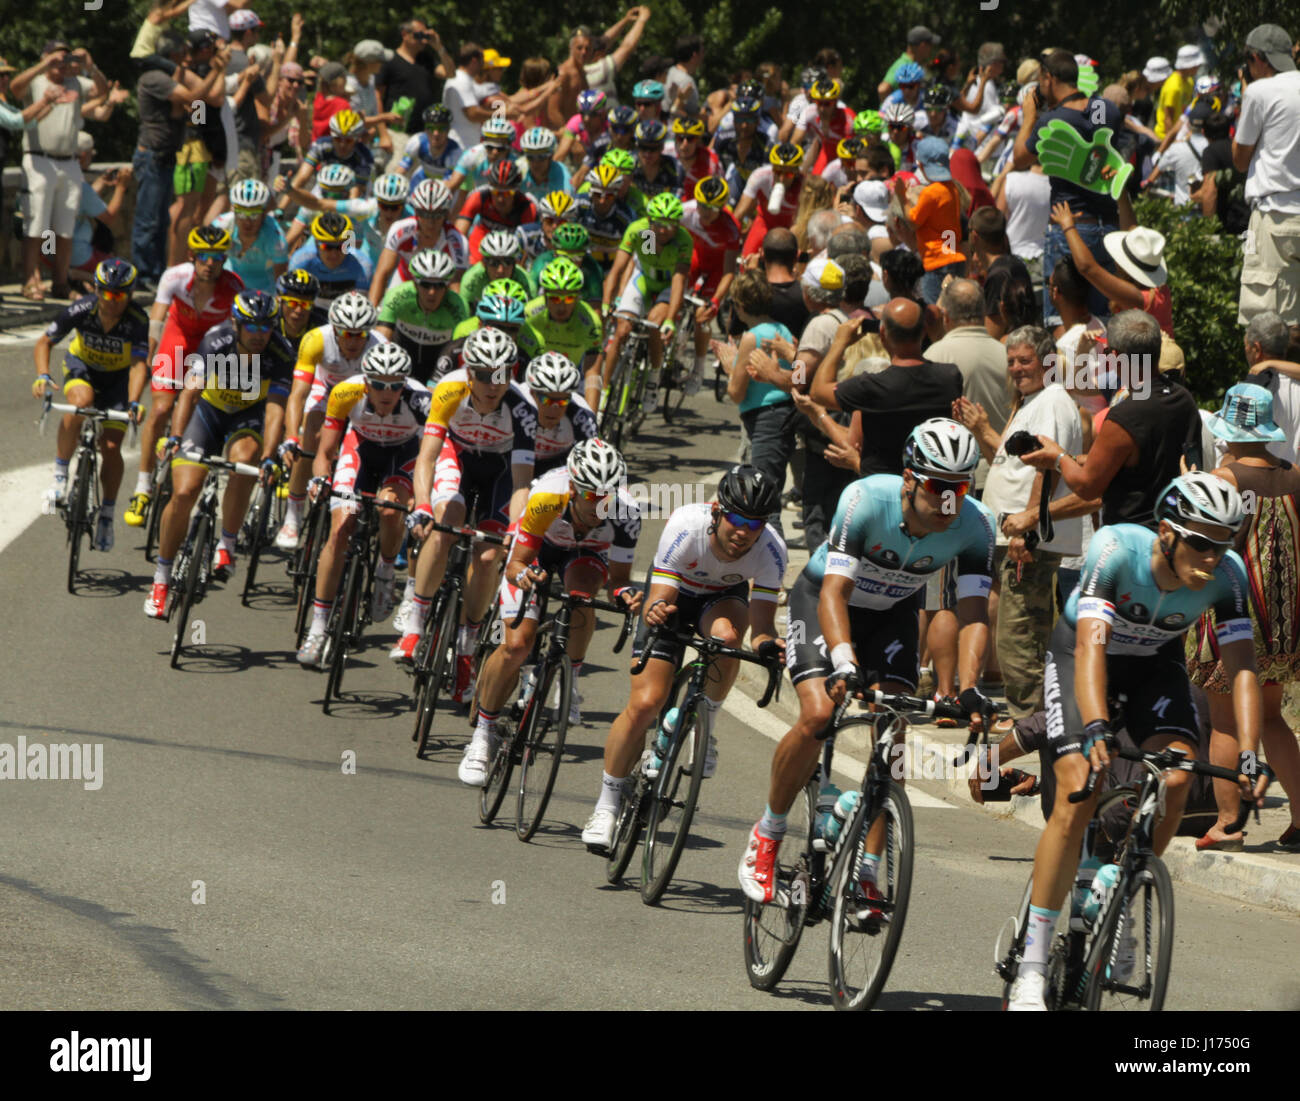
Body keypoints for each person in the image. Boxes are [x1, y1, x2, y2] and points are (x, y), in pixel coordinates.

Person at [1005, 473, 1264, 1011]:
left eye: (1223, 544)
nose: (1213, 557)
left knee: (1177, 778)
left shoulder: (1227, 574)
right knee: (1078, 789)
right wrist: (1096, 725)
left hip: (1155, 666)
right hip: (1081, 657)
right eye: (1201, 542)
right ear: (1167, 533)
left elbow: (1243, 670)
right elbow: (1091, 650)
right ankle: (1032, 964)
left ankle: (1122, 896)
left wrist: (1249, 753)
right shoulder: (1115, 550)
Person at [738, 419, 994, 903]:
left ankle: (868, 871)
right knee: (818, 714)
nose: (948, 503)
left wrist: (969, 686)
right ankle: (767, 835)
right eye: (938, 488)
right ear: (910, 479)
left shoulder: (978, 524)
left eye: (959, 489)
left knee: (892, 733)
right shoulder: (864, 500)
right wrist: (843, 660)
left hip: (893, 613)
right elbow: (835, 592)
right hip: (826, 601)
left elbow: (974, 614)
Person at [580, 467, 787, 851]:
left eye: (755, 524)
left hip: (721, 600)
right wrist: (656, 611)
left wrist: (768, 646)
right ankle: (606, 806)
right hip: (675, 595)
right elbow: (659, 599)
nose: (744, 532)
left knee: (728, 639)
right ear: (717, 511)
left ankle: (706, 724)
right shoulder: (686, 526)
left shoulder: (772, 550)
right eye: (737, 519)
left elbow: (761, 626)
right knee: (645, 705)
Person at [466, 438, 640, 777]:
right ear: (573, 488)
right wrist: (525, 576)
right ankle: (482, 736)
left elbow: (618, 581)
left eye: (607, 496)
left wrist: (625, 595)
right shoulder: (548, 496)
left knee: (582, 597)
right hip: (538, 550)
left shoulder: (627, 513)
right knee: (517, 645)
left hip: (585, 554)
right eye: (592, 496)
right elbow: (516, 563)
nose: (600, 505)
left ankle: (569, 678)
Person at [390, 328, 537, 705]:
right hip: (457, 458)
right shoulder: (449, 390)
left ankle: (467, 647)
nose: (493, 384)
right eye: (484, 375)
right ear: (469, 373)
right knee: (444, 524)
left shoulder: (523, 408)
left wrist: (516, 529)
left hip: (500, 471)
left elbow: (522, 482)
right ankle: (414, 626)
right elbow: (427, 456)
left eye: (502, 374)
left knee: (488, 558)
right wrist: (423, 503)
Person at [1185, 383, 1300, 851]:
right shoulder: (1295, 476)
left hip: (1232, 612)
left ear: (1231, 430)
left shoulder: (1223, 479)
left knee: (1225, 720)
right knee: (1271, 717)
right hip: (1282, 620)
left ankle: (1228, 823)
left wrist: (1192, 486)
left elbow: (1201, 544)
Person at [956, 325, 1083, 720]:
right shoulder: (1033, 400)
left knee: (1021, 639)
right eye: (1011, 361)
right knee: (1018, 635)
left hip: (1029, 543)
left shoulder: (1053, 401)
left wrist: (1027, 530)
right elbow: (1010, 464)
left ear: (1047, 361)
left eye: (1025, 360)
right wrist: (981, 429)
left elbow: (1048, 469)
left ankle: (1029, 724)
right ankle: (1030, 721)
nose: (1015, 368)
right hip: (1015, 536)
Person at [144, 291, 293, 615]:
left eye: (266, 327)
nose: (260, 334)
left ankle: (227, 543)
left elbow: (275, 410)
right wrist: (176, 436)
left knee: (245, 461)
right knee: (184, 492)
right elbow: (190, 392)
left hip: (247, 416)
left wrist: (269, 456)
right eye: (251, 326)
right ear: (236, 325)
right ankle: (161, 577)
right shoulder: (216, 340)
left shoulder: (281, 352)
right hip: (209, 413)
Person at [296, 343, 431, 667]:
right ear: (366, 382)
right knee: (340, 531)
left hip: (402, 455)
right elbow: (326, 452)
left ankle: (385, 571)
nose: (387, 392)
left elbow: (432, 454)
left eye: (395, 385)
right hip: (360, 450)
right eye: (379, 384)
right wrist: (320, 479)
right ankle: (317, 628)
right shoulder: (346, 392)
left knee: (390, 509)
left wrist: (422, 495)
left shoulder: (421, 401)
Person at [1021, 310, 1201, 531]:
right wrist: (1074, 459)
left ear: (1115, 356)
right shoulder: (1183, 399)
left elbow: (1087, 487)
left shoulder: (1124, 416)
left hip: (1130, 539)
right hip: (1174, 534)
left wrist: (1057, 457)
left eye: (1106, 352)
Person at [124, 224, 245, 529]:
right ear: (192, 255)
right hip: (177, 341)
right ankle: (142, 488)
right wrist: (149, 355)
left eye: (217, 257)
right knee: (161, 409)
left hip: (211, 346)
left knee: (200, 408)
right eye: (203, 256)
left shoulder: (234, 286)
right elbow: (156, 321)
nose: (210, 263)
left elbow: (240, 335)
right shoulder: (174, 276)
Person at [32, 259, 149, 551]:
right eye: (106, 293)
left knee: (110, 447)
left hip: (118, 380)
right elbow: (45, 342)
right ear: (96, 290)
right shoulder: (81, 308)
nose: (112, 300)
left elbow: (139, 365)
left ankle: (107, 515)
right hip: (82, 367)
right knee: (81, 403)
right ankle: (60, 476)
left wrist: (134, 402)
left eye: (119, 294)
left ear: (130, 294)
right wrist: (43, 375)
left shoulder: (138, 320)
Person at [1014, 50, 1123, 325]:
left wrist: (1029, 117)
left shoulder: (1051, 122)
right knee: (1102, 321)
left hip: (1071, 227)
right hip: (1109, 227)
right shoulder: (1105, 109)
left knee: (1063, 323)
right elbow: (1094, 124)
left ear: (1048, 79)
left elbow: (1019, 159)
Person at [274, 291, 386, 548]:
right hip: (325, 391)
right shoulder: (316, 340)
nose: (353, 340)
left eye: (360, 334)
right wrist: (291, 437)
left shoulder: (380, 347)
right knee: (310, 439)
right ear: (334, 329)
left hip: (360, 399)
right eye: (346, 333)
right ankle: (293, 515)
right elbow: (298, 394)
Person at [811, 299, 964, 478]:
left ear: (882, 334)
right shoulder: (950, 377)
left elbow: (817, 391)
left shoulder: (870, 387)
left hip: (882, 486)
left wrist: (839, 343)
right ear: (923, 331)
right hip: (932, 483)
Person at [14, 42, 110, 301]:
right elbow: (16, 88)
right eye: (56, 57)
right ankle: (30, 280)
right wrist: (44, 65)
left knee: (65, 227)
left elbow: (103, 92)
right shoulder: (37, 82)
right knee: (36, 224)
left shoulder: (76, 82)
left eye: (65, 57)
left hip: (69, 162)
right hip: (39, 159)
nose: (62, 62)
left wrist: (91, 67)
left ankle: (60, 281)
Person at [596, 192, 692, 412]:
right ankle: (605, 389)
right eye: (658, 224)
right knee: (622, 330)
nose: (663, 230)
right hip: (645, 279)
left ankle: (653, 378)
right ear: (649, 221)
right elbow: (618, 269)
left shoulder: (683, 240)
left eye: (670, 225)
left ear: (678, 224)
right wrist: (607, 302)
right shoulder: (642, 232)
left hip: (668, 284)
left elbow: (679, 281)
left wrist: (670, 319)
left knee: (654, 324)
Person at [1234, 24, 1300, 327]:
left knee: (1269, 327)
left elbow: (1240, 159)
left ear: (1259, 58)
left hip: (1276, 216)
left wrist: (1246, 98)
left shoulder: (1259, 92)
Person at [722, 270, 798, 533]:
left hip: (765, 419)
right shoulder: (783, 329)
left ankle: (772, 552)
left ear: (741, 306)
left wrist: (729, 366)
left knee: (763, 499)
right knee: (770, 489)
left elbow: (736, 392)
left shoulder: (750, 337)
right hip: (786, 412)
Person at [925, 279, 1013, 492]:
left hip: (954, 479)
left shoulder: (932, 357)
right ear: (983, 312)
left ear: (946, 316)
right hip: (1004, 470)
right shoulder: (1010, 356)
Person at [368, 179, 470, 304]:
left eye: (437, 215)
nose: (430, 222)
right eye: (425, 214)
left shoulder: (458, 241)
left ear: (446, 214)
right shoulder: (400, 230)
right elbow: (382, 273)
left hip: (437, 290)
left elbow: (456, 286)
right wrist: (372, 308)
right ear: (416, 212)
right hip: (405, 281)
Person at [375, 248, 468, 384]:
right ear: (415, 284)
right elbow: (381, 340)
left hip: (439, 366)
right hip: (400, 363)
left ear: (447, 287)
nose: (432, 292)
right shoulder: (398, 296)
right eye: (425, 284)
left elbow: (459, 351)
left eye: (439, 285)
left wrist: (435, 383)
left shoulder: (458, 306)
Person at [894, 137, 968, 305]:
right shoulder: (952, 188)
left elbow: (913, 222)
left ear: (920, 166)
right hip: (953, 255)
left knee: (934, 309)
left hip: (937, 261)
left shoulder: (931, 192)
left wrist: (902, 197)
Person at [214, 178, 286, 294]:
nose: (247, 222)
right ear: (234, 211)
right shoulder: (221, 226)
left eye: (254, 215)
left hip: (263, 291)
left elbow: (281, 280)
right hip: (229, 285)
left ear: (264, 214)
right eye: (242, 214)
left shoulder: (275, 237)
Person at [733, 142, 806, 257]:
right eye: (777, 171)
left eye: (788, 174)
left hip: (790, 229)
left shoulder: (805, 184)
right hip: (764, 223)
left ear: (797, 172)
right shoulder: (760, 176)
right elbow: (739, 213)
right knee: (747, 258)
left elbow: (801, 223)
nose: (781, 178)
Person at [583, 9, 651, 106]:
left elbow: (605, 40)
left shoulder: (581, 71)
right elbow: (627, 47)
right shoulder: (601, 71)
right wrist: (642, 20)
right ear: (597, 54)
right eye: (604, 51)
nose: (606, 52)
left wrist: (625, 20)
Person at [879, 25, 940, 100]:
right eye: (930, 45)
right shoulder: (904, 65)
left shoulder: (913, 64)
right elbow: (883, 90)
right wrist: (895, 106)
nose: (931, 48)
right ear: (922, 45)